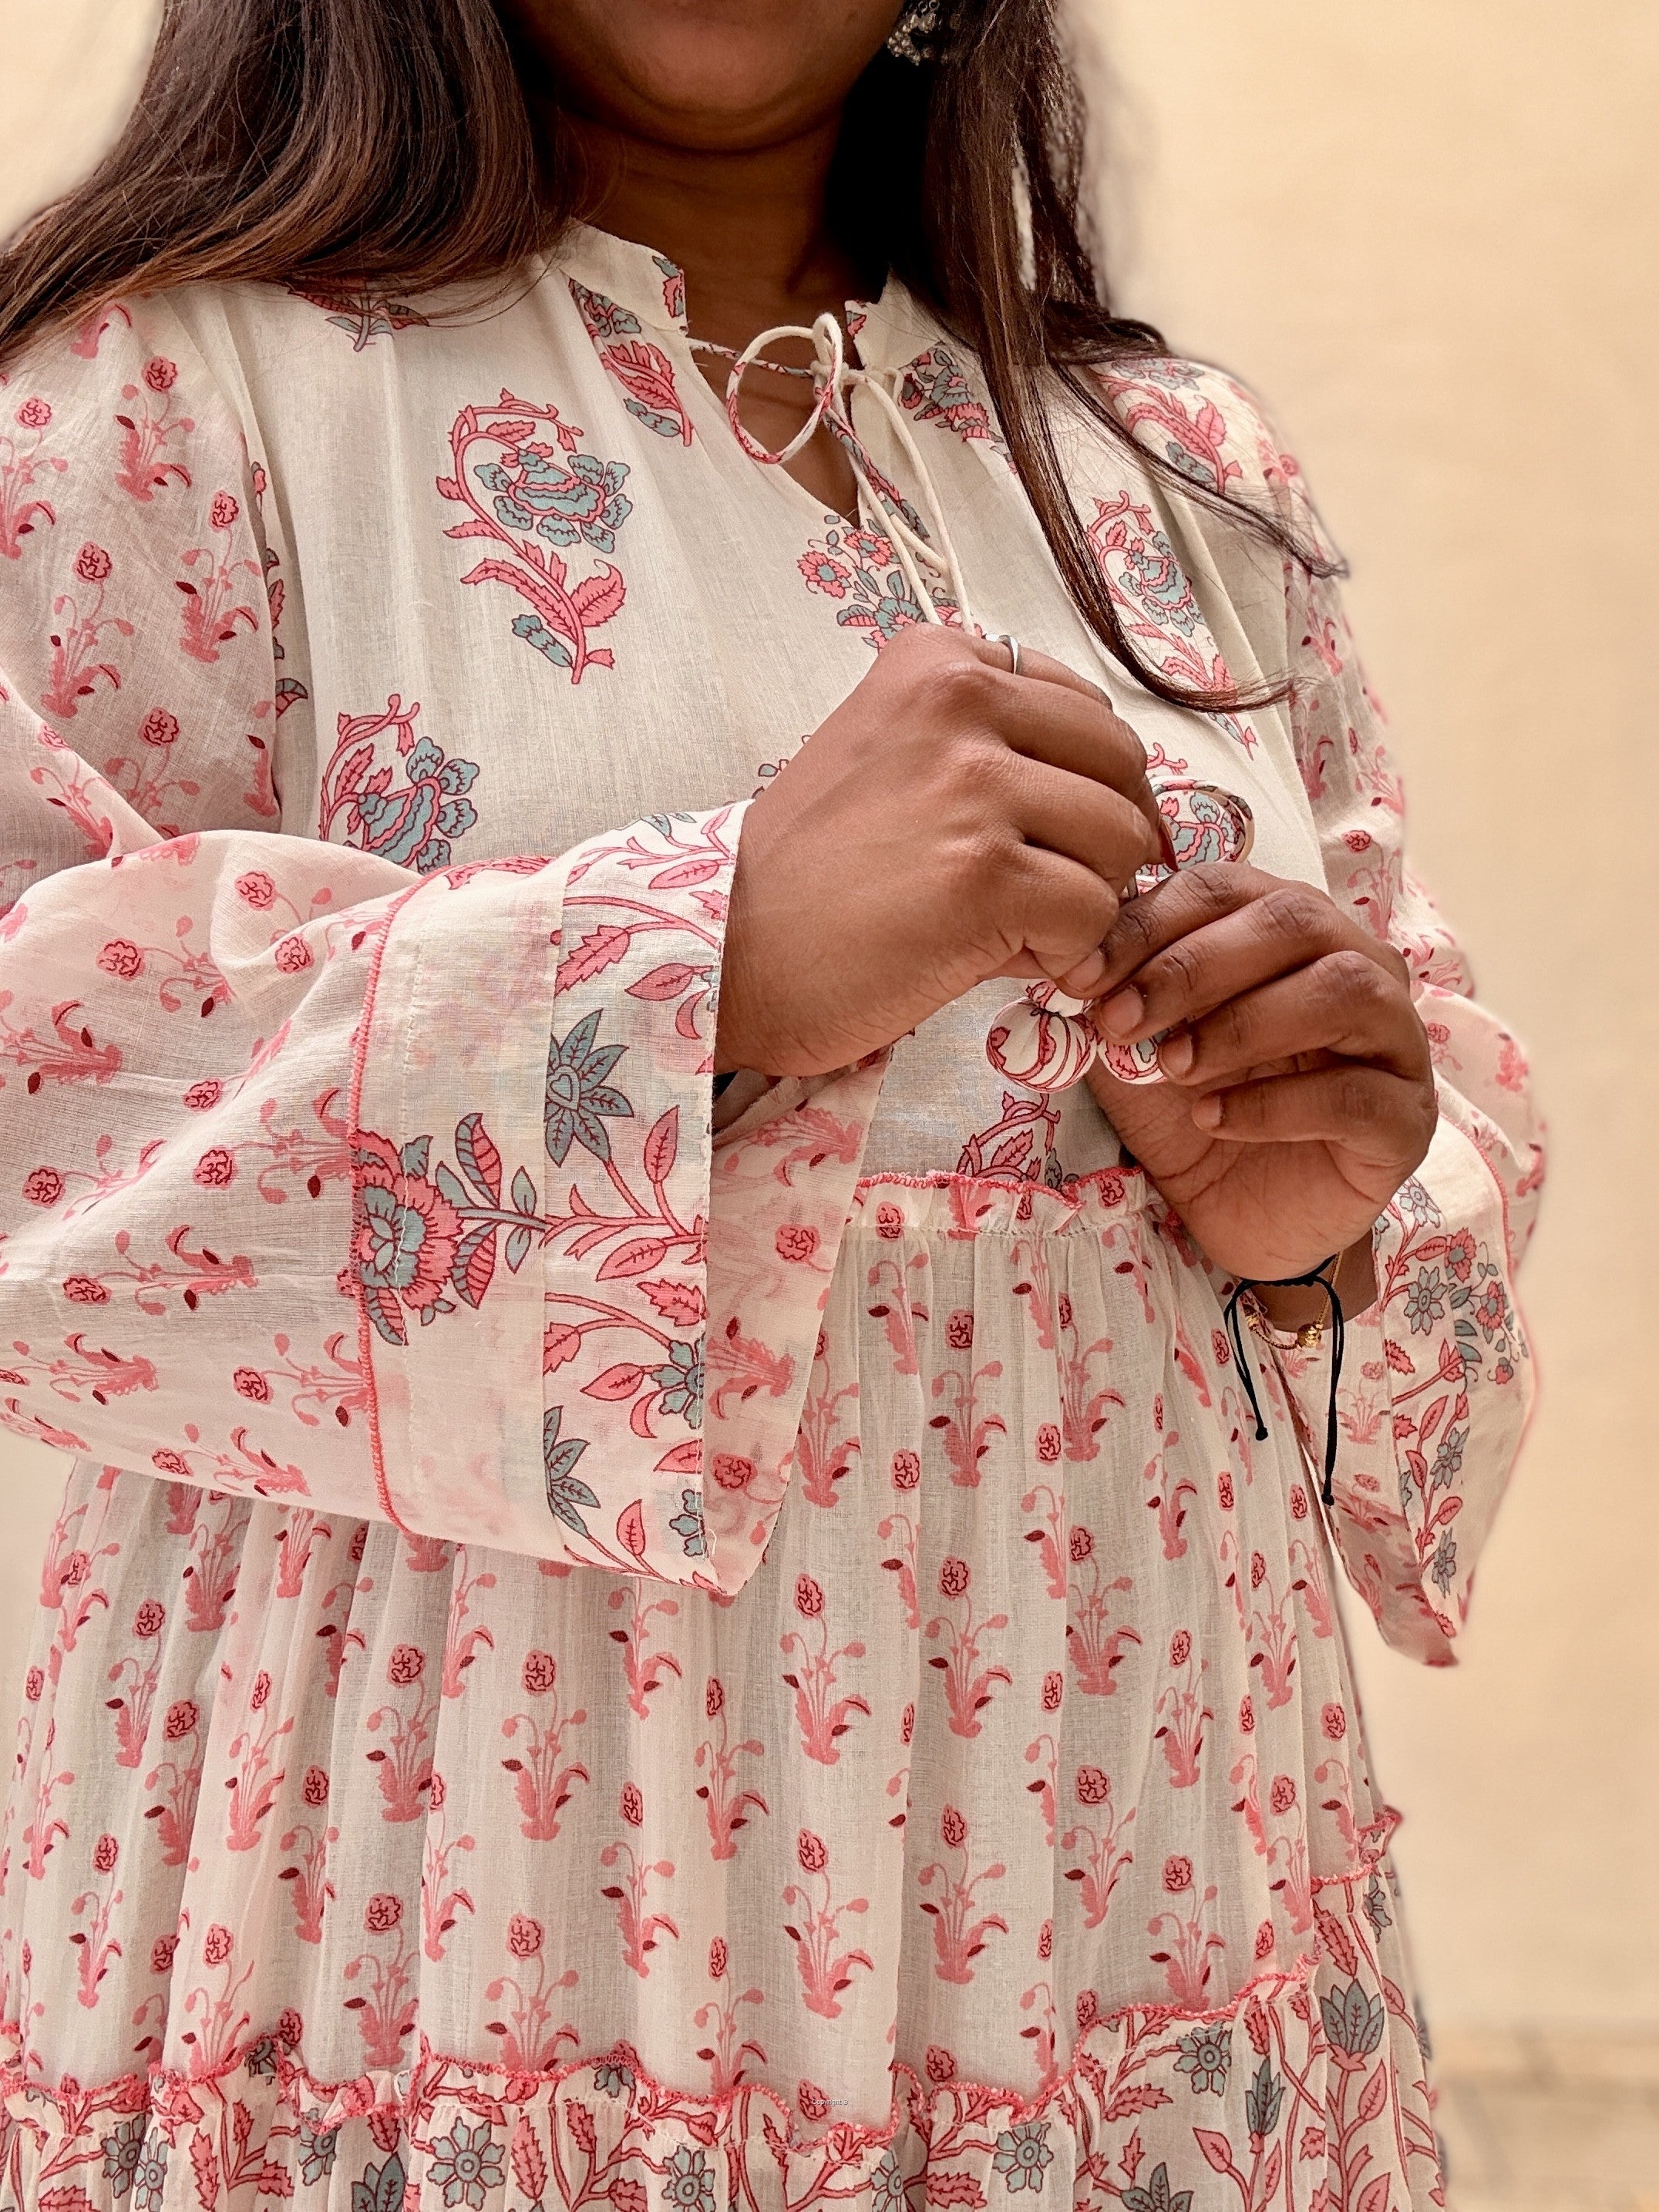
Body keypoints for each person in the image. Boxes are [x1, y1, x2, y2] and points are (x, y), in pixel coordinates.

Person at [0, 2, 1541, 2206]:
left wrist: (1324, 1220)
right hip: (459, 1931)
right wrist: (693, 968)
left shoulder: (1162, 466)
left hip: (1134, 1883)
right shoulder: (157, 407)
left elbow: (1412, 1076)